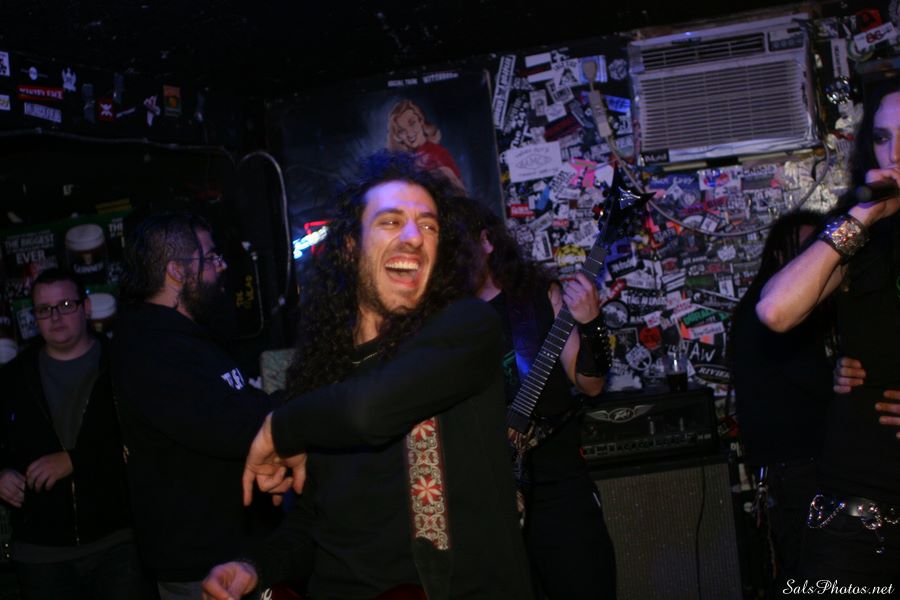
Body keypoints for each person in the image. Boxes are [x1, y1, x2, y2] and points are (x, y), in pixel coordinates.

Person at [202, 151, 533, 600]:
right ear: (350, 246)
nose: (414, 237)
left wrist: (278, 427)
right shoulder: (320, 376)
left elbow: (368, 411)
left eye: (429, 226)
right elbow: (313, 524)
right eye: (391, 221)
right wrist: (254, 567)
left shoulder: (466, 330)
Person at [756, 79, 900, 586]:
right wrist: (860, 217)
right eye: (882, 138)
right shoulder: (861, 234)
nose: (894, 154)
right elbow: (775, 310)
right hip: (854, 506)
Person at [454, 196, 617, 599]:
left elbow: (592, 384)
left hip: (558, 491)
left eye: (458, 244)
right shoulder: (444, 322)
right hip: (487, 504)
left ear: (486, 241)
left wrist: (593, 324)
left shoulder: (539, 295)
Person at [111, 212, 280, 600]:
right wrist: (296, 412)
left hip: (235, 551)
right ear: (177, 271)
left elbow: (240, 405)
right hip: (202, 565)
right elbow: (227, 427)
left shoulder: (189, 337)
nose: (221, 266)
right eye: (210, 257)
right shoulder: (150, 349)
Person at [0, 268, 149, 599]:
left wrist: (75, 461)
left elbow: (148, 440)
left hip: (118, 540)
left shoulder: (123, 365)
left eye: (65, 305)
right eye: (44, 309)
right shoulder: (13, 379)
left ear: (87, 307)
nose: (55, 317)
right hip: (41, 551)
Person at [730, 211, 833, 591]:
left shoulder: (765, 300)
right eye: (804, 248)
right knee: (813, 567)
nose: (814, 256)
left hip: (791, 462)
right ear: (779, 254)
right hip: (798, 463)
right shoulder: (777, 308)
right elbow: (815, 380)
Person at [386, 99, 466, 192]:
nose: (409, 133)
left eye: (412, 123)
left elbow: (461, 193)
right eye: (402, 130)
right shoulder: (404, 161)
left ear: (421, 121)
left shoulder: (438, 154)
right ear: (398, 136)